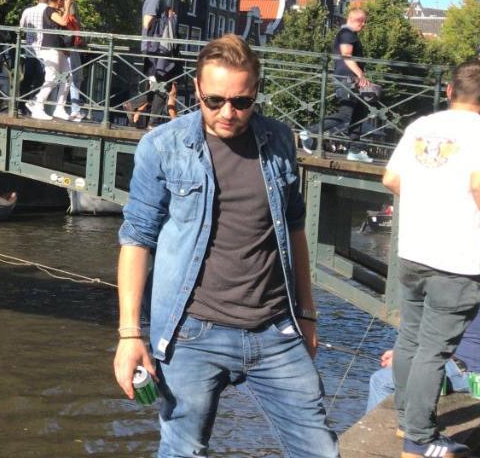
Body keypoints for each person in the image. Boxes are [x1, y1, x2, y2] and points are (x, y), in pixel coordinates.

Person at [113, 34, 337, 457]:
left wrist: (307, 314)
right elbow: (137, 240)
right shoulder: (163, 147)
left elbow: (294, 232)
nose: (228, 113)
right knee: (183, 450)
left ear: (256, 92)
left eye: (241, 102)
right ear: (197, 89)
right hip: (193, 332)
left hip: (275, 330)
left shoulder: (279, 142)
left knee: (320, 449)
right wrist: (130, 334)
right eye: (214, 101)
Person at [382, 60, 480, 458]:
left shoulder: (420, 127)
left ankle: (403, 421)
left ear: (449, 90)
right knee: (435, 349)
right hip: (457, 258)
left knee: (410, 338)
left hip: (413, 252)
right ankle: (420, 439)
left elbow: (391, 179)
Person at [365, 280, 480, 415]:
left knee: (381, 381)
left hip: (472, 374)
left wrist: (403, 356)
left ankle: (390, 431)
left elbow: (435, 335)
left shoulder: (470, 290)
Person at [300, 7, 374, 162]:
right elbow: (346, 55)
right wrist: (360, 74)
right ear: (357, 21)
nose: (364, 26)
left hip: (351, 80)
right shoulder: (347, 34)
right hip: (346, 79)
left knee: (359, 111)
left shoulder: (348, 34)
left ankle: (354, 150)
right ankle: (310, 132)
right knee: (345, 114)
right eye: (363, 22)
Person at [133, 0, 179, 129]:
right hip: (153, 48)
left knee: (160, 84)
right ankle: (142, 114)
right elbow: (147, 22)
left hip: (155, 48)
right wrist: (166, 20)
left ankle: (145, 117)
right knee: (162, 85)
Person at [28, 0, 75, 120]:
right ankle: (37, 106)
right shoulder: (49, 11)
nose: (64, 3)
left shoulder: (54, 11)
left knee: (67, 77)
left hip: (58, 48)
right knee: (52, 78)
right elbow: (64, 22)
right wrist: (67, 7)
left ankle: (59, 108)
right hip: (50, 48)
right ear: (59, 0)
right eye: (63, 1)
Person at [17, 0, 50, 111]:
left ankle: (20, 104)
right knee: (42, 78)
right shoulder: (49, 11)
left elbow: (21, 27)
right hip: (44, 49)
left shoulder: (28, 11)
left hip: (30, 49)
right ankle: (34, 102)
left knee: (28, 77)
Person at [63, 0, 86, 120]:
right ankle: (73, 109)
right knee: (71, 76)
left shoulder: (73, 3)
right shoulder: (64, 2)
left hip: (74, 43)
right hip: (67, 44)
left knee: (77, 76)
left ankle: (75, 109)